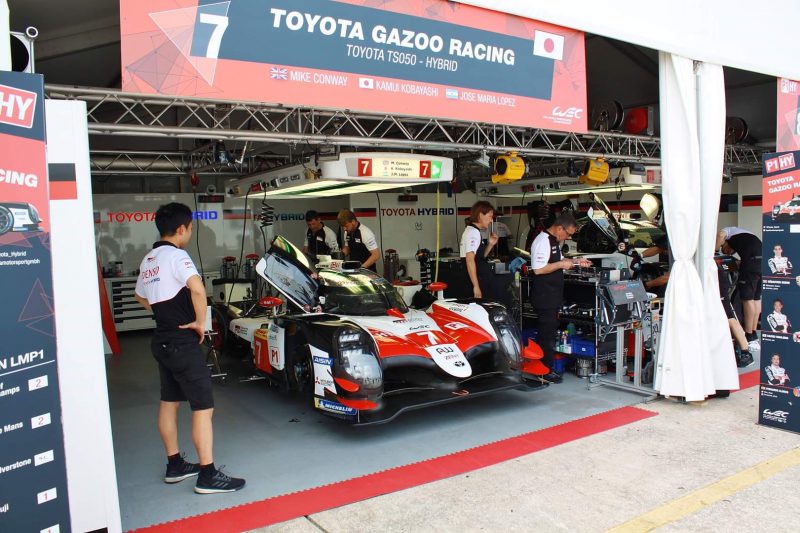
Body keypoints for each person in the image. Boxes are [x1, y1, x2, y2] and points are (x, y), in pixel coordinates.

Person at [134, 203, 245, 494]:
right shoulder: (177, 255)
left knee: (169, 402)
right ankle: (207, 475)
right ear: (182, 229)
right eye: (191, 228)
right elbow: (197, 288)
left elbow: (140, 296)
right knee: (203, 408)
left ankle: (175, 465)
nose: (190, 232)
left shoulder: (149, 259)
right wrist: (198, 322)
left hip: (162, 339)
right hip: (182, 342)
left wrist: (163, 312)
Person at [530, 212, 591, 383]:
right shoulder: (542, 241)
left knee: (550, 333)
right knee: (546, 335)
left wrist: (577, 261)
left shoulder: (554, 242)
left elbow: (560, 260)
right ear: (559, 228)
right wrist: (562, 264)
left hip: (553, 296)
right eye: (569, 234)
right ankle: (544, 371)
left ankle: (547, 368)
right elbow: (539, 269)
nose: (569, 237)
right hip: (544, 297)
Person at [717, 227, 762, 351]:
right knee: (756, 299)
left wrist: (714, 251)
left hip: (751, 263)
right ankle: (753, 334)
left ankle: (748, 335)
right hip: (761, 262)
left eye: (725, 250)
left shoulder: (728, 232)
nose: (727, 252)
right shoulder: (746, 234)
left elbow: (720, 234)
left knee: (747, 299)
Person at [460, 201, 499, 300]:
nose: (491, 221)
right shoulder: (473, 233)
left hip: (479, 280)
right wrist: (476, 286)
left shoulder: (474, 231)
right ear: (481, 215)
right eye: (490, 216)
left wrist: (490, 244)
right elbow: (469, 260)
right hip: (476, 282)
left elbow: (480, 257)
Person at [718, 261, 754, 367]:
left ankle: (745, 352)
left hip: (717, 281)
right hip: (709, 281)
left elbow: (733, 263)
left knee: (729, 317)